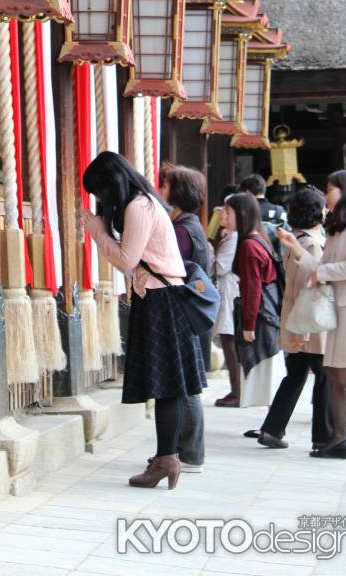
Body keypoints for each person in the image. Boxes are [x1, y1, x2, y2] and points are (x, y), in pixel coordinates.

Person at [82, 151, 206, 490]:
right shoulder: (146, 203)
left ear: (111, 184)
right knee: (167, 387)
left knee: (167, 387)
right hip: (160, 297)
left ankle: (168, 459)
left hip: (160, 300)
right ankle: (167, 457)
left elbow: (127, 259)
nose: (99, 199)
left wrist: (97, 231)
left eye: (99, 191)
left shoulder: (139, 206)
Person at [278, 170, 346, 458]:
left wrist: (320, 273)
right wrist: (296, 248)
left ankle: (337, 438)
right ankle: (338, 439)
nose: (326, 195)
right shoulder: (337, 227)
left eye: (330, 188)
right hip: (336, 312)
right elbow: (320, 267)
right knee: (334, 374)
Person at [249, 186, 334, 451]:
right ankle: (323, 437)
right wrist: (302, 332)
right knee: (323, 377)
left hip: (297, 318)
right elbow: (309, 289)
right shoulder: (310, 243)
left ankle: (273, 429)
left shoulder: (297, 238)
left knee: (296, 375)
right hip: (310, 322)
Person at [159, 165, 209, 473]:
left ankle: (190, 453)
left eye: (164, 185)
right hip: (186, 312)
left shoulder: (182, 230)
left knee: (185, 385)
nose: (160, 190)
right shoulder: (187, 225)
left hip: (181, 312)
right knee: (183, 382)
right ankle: (182, 451)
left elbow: (168, 268)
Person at [224, 192, 286, 409]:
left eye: (228, 212)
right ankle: (272, 421)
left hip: (261, 316)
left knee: (265, 376)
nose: (224, 216)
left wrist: (248, 324)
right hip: (269, 313)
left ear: (240, 214)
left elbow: (253, 289)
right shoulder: (260, 238)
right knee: (271, 375)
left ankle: (272, 422)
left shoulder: (248, 246)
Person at [211, 199, 241, 407]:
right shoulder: (228, 236)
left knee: (229, 341)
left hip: (229, 290)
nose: (222, 214)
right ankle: (237, 389)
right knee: (228, 341)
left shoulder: (233, 237)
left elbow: (220, 267)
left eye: (227, 212)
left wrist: (209, 250)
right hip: (227, 290)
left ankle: (237, 391)